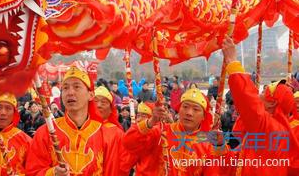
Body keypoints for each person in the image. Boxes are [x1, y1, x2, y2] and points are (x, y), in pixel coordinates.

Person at [222, 35, 299, 176]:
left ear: (272, 103)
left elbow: (249, 102)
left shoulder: (272, 129)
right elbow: (241, 145)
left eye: (264, 92)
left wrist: (232, 62)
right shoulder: (270, 128)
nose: (258, 95)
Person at [26, 65, 120, 175]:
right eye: (65, 88)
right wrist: (53, 173)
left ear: (91, 95)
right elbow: (32, 172)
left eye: (76, 87)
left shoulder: (107, 136)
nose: (70, 92)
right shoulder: (45, 132)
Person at [123, 87, 223, 175]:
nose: (189, 113)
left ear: (204, 116)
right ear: (178, 110)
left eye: (196, 109)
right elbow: (128, 143)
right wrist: (151, 121)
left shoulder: (208, 143)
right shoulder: (162, 132)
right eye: (185, 107)